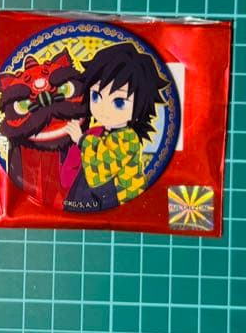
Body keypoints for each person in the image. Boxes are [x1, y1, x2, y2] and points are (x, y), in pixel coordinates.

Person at [61, 42, 170, 211]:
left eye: (119, 102)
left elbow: (101, 170)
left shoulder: (128, 138)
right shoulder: (103, 132)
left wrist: (81, 140)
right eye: (96, 96)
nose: (103, 110)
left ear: (140, 106)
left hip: (121, 202)